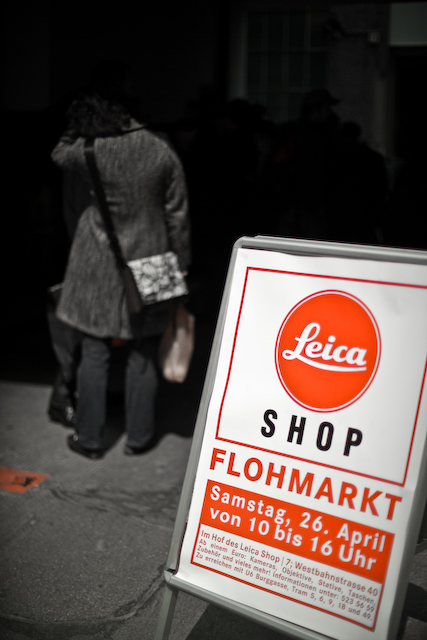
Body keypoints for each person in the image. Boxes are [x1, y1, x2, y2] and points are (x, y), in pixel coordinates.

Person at [50, 90, 191, 459]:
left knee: (94, 351)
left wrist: (77, 128)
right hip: (152, 259)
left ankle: (89, 439)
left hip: (97, 259)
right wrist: (181, 260)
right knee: (144, 351)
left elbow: (58, 153)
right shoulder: (160, 148)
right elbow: (177, 212)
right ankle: (139, 437)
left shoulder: (88, 150)